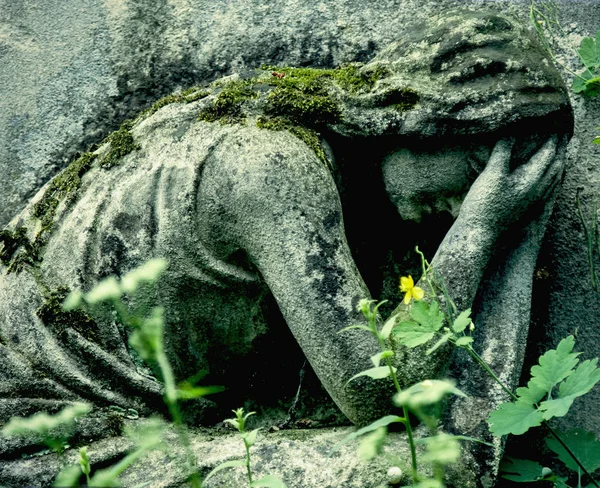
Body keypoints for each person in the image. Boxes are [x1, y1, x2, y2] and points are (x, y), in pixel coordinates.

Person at [0, 8, 572, 448]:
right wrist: (479, 230)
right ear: (422, 115)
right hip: (41, 427)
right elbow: (374, 393)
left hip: (118, 423)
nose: (464, 203)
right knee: (419, 471)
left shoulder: (315, 160)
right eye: (478, 172)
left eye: (495, 191)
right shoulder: (271, 165)